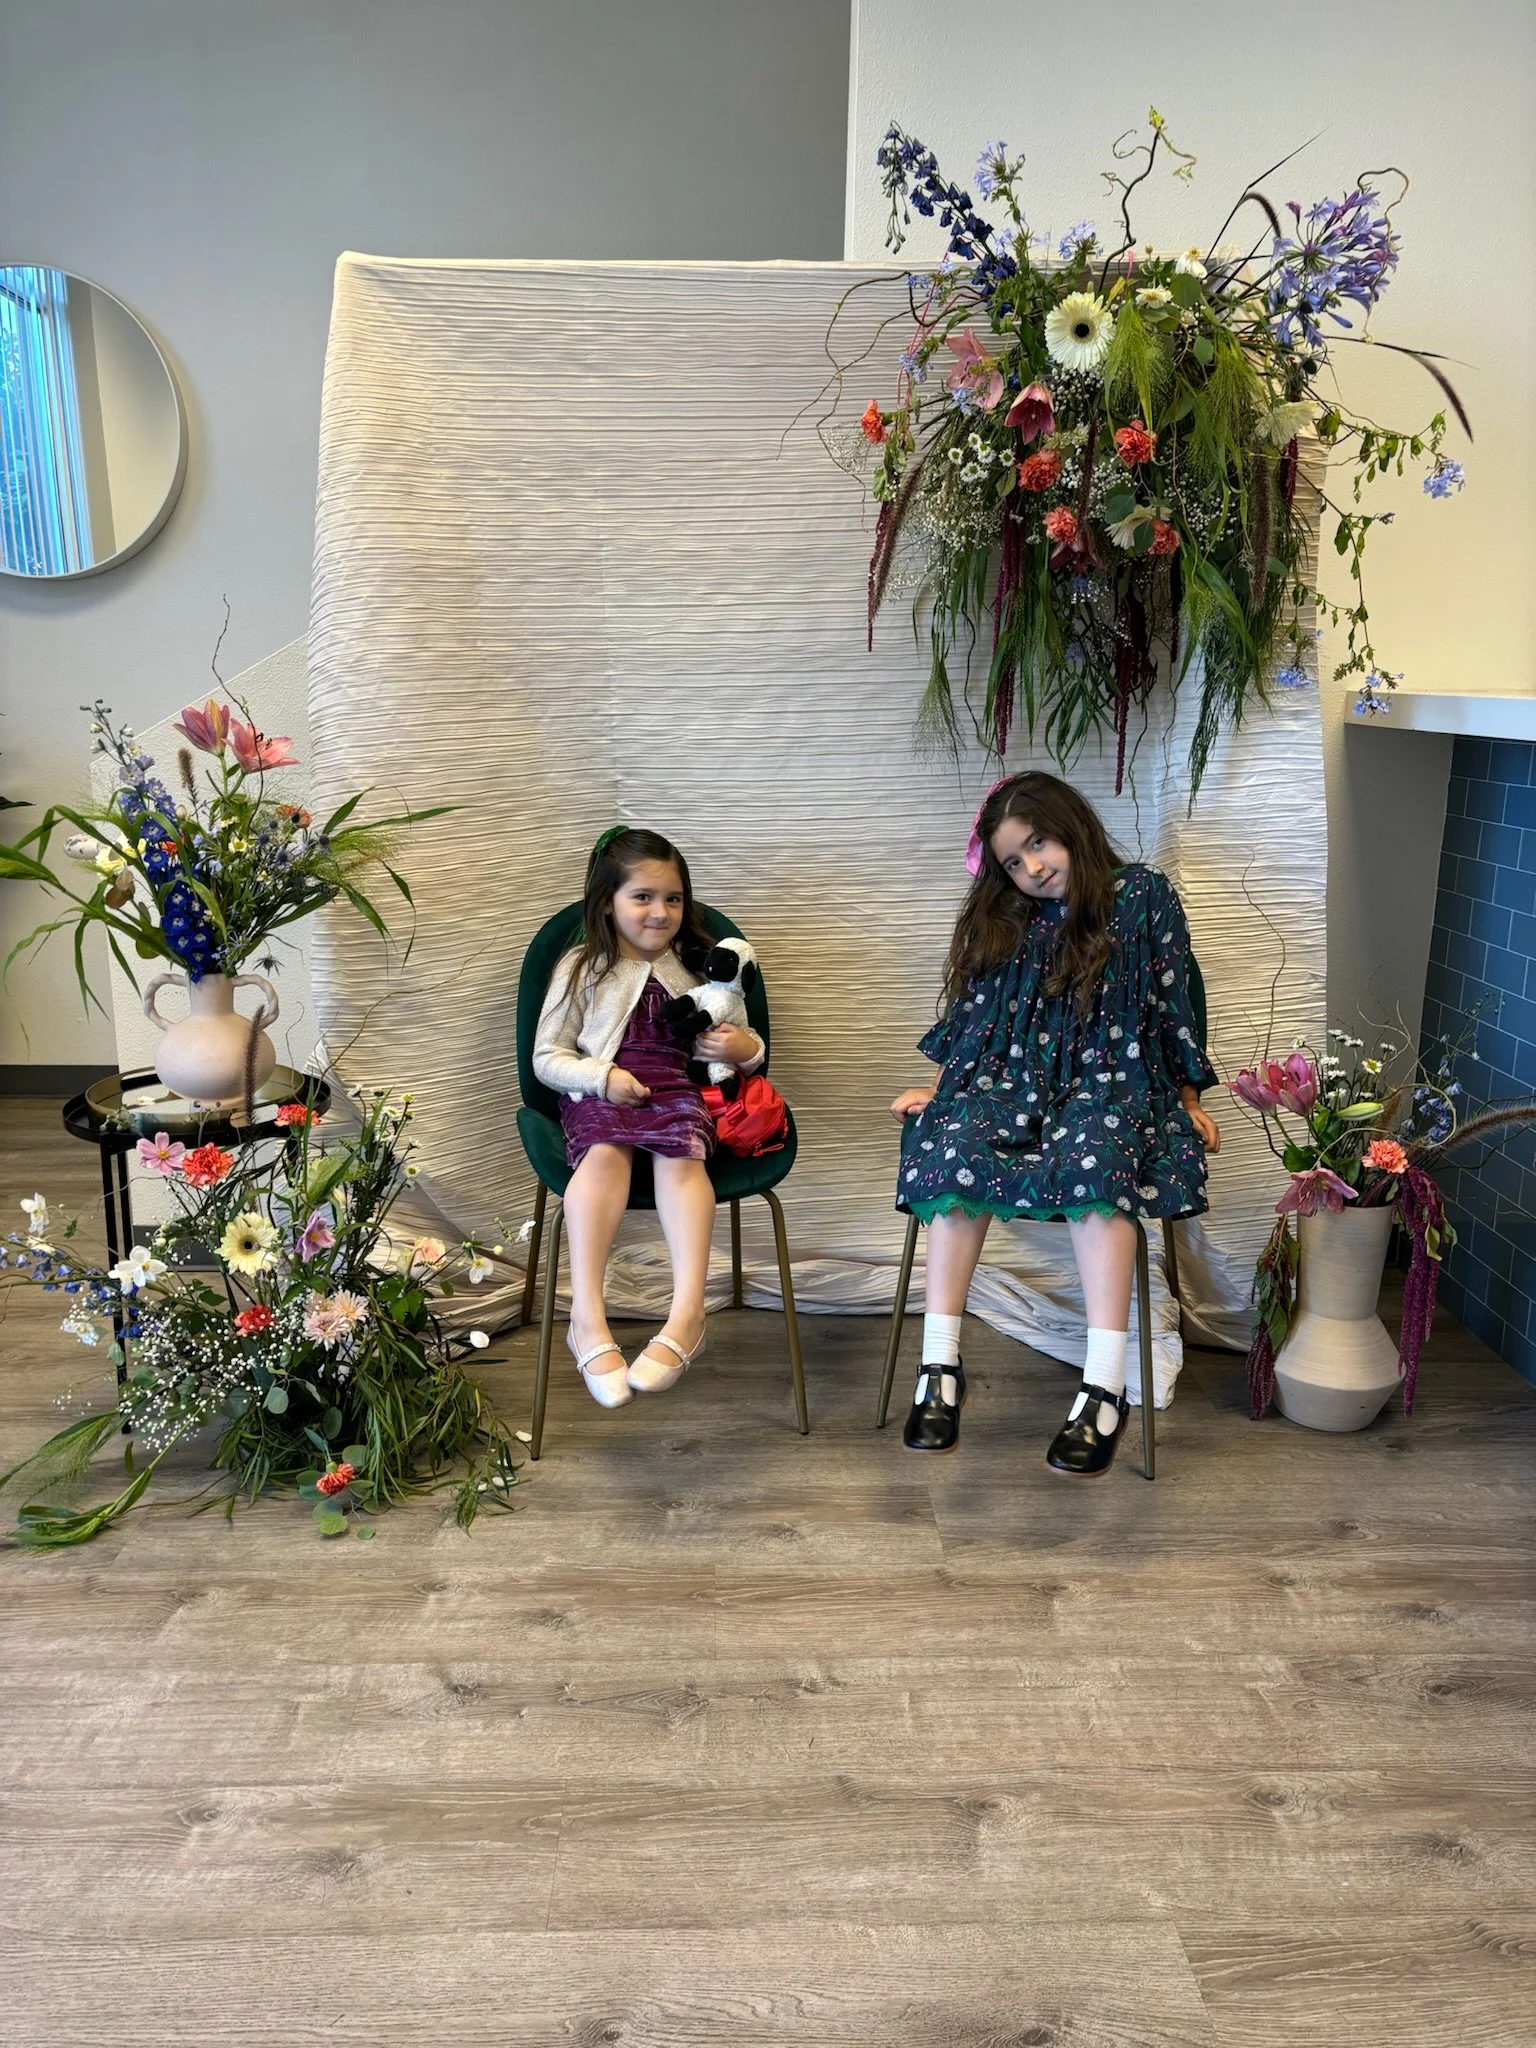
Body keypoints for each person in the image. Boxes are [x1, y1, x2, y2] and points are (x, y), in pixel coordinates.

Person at [889, 772, 1220, 1477]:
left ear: (1070, 826)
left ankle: (1106, 1384)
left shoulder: (1143, 898)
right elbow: (979, 1020)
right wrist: (944, 1090)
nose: (1033, 868)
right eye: (1013, 860)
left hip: (1114, 1085)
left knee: (1097, 1167)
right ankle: (939, 1367)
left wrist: (1189, 1097)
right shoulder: (1007, 920)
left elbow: (1171, 1001)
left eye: (1038, 844)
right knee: (952, 1153)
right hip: (1012, 1084)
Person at [532, 827, 764, 1407]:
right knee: (605, 1152)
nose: (660, 913)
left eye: (674, 899)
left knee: (682, 1156)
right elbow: (546, 1057)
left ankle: (689, 1314)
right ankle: (587, 1317)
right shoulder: (582, 968)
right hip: (601, 1092)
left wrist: (741, 1050)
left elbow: (751, 1047)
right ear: (606, 901)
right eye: (642, 897)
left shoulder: (699, 969)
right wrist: (601, 1078)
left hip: (679, 1092)